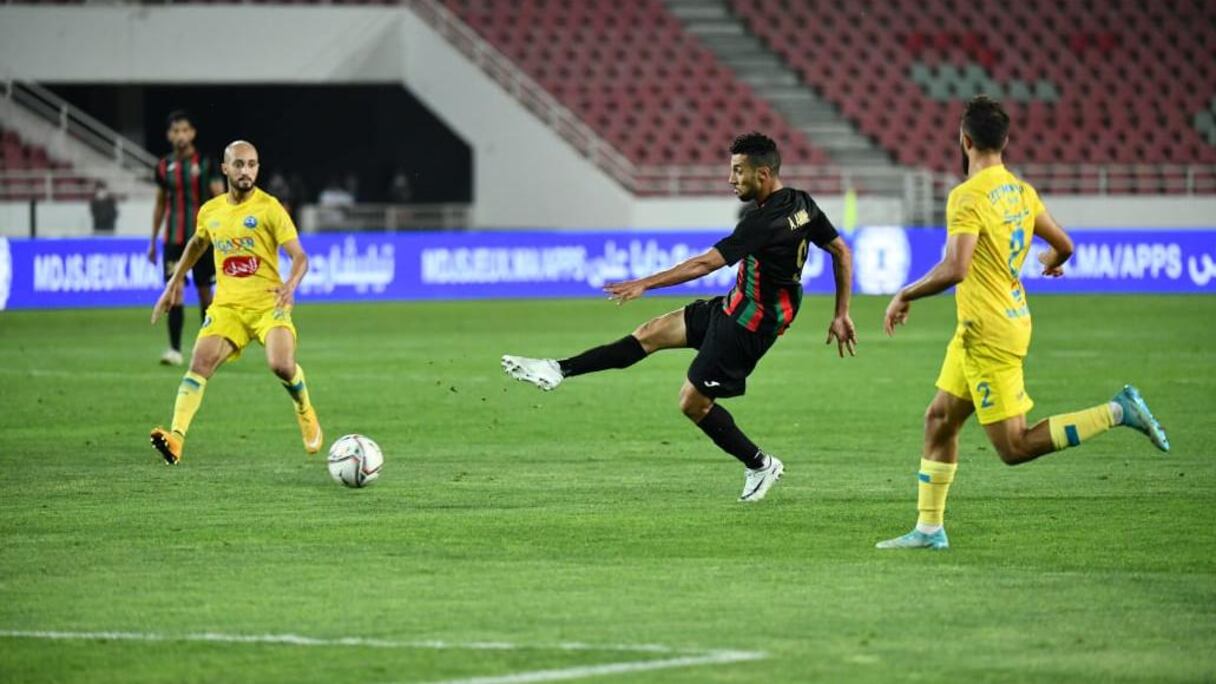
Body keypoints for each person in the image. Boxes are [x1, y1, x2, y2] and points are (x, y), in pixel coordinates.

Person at [875, 96, 1169, 551]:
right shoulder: (1020, 191)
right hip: (986, 327)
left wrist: (904, 293)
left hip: (989, 332)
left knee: (1014, 447)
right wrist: (1052, 259)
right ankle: (929, 530)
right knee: (939, 419)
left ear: (964, 140)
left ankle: (1117, 411)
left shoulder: (968, 196)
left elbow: (956, 268)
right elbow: (1064, 244)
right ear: (1005, 141)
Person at [503, 132, 856, 502]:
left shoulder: (762, 223)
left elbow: (704, 264)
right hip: (734, 305)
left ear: (763, 174)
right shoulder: (802, 203)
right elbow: (841, 251)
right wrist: (841, 313)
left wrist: (646, 283)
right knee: (651, 332)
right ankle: (558, 369)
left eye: (738, 171)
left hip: (747, 326)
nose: (731, 179)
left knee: (692, 402)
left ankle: (760, 464)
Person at [148, 140, 322, 465]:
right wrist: (173, 284)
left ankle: (304, 408)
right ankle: (176, 439)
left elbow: (300, 256)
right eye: (239, 164)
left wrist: (291, 284)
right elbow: (197, 243)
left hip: (268, 304)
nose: (246, 171)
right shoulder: (211, 211)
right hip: (228, 307)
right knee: (199, 364)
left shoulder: (270, 208)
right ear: (225, 169)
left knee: (282, 365)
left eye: (252, 164)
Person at [148, 110, 225, 366]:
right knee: (175, 290)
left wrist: (223, 232)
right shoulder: (163, 167)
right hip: (173, 239)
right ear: (169, 135)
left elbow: (220, 199)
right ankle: (175, 350)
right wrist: (152, 241)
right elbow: (160, 204)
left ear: (192, 133)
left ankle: (209, 349)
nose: (180, 135)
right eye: (175, 131)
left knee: (205, 293)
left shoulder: (206, 163)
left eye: (184, 130)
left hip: (203, 239)